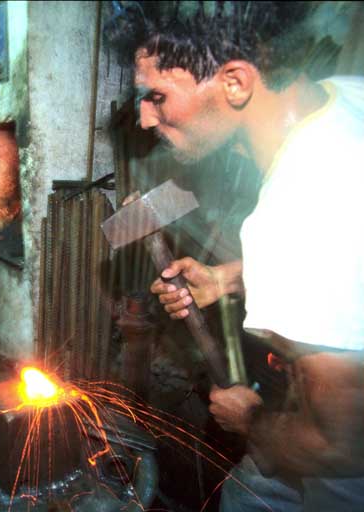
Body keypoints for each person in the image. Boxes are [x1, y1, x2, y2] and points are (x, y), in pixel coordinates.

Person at [110, 2, 364, 511]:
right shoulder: (346, 94)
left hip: (342, 476)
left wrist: (249, 420)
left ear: (235, 82)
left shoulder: (296, 208)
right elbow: (340, 260)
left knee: (244, 499)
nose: (143, 117)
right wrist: (225, 278)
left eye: (157, 96)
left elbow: (339, 442)